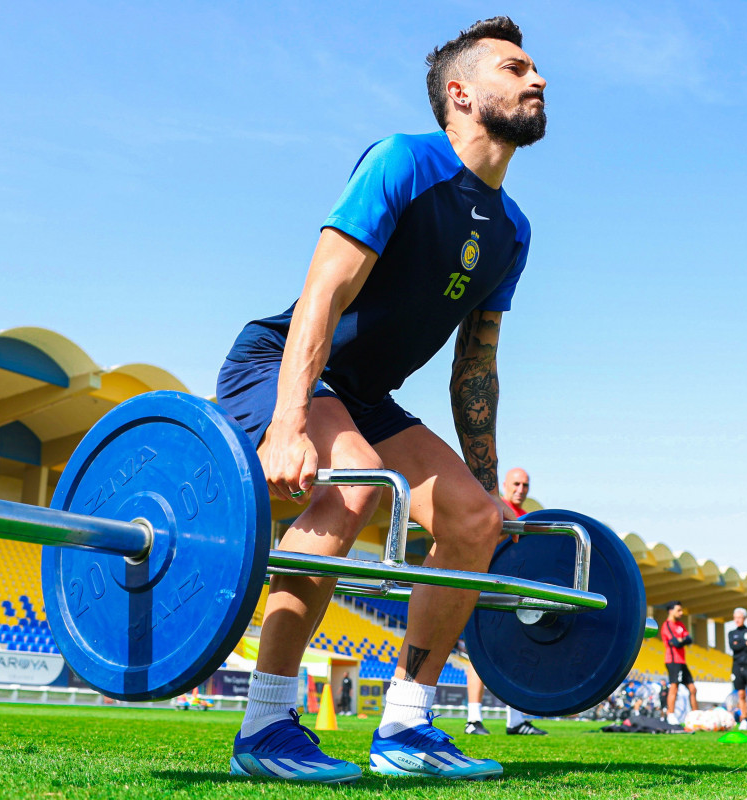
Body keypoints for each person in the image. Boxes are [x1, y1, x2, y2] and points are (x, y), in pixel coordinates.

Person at [217, 16, 547, 784]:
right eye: (516, 67)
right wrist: (290, 421)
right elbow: (322, 290)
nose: (537, 80)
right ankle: (263, 725)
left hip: (365, 393)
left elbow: (477, 367)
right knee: (358, 478)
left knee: (469, 525)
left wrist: (490, 488)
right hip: (281, 365)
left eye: (538, 72)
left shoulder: (514, 230)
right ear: (460, 93)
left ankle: (406, 727)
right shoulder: (405, 160)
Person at [460, 466, 545, 736]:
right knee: (478, 654)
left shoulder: (527, 517)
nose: (521, 490)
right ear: (505, 484)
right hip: (485, 589)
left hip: (514, 593)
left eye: (526, 485)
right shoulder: (492, 507)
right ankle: (474, 719)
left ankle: (516, 720)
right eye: (516, 484)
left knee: (513, 655)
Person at [659, 601, 698, 724]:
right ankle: (671, 715)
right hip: (673, 660)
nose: (681, 613)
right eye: (678, 610)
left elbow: (689, 639)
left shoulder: (680, 625)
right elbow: (676, 643)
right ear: (671, 611)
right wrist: (681, 640)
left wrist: (681, 640)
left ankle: (695, 715)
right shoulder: (667, 625)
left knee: (692, 689)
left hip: (682, 661)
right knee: (674, 687)